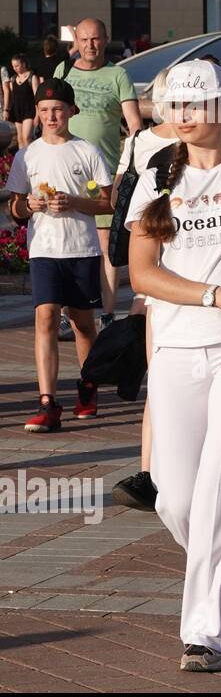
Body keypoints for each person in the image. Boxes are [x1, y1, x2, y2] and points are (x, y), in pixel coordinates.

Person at [126, 58, 221, 673]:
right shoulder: (156, 174)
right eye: (176, 107)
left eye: (197, 105)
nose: (185, 117)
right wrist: (215, 293)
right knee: (173, 497)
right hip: (177, 345)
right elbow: (143, 273)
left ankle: (204, 633)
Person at [4, 79, 113, 432]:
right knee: (46, 318)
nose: (52, 116)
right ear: (36, 114)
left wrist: (75, 201)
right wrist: (28, 205)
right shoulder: (28, 154)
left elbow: (106, 201)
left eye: (58, 110)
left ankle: (88, 384)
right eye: (45, 111)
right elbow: (15, 206)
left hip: (81, 247)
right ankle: (48, 401)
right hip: (43, 249)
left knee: (83, 324)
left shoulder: (87, 152)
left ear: (71, 111)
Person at [109, 72, 183, 511]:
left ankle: (178, 472)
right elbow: (136, 233)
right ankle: (150, 474)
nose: (185, 112)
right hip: (161, 291)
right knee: (160, 382)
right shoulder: (150, 152)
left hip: (214, 300)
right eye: (175, 102)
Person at [54, 19, 143, 325]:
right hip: (66, 173)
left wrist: (132, 160)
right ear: (76, 41)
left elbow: (134, 122)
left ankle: (106, 314)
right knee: (67, 242)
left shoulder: (118, 74)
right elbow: (49, 117)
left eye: (96, 39)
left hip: (102, 176)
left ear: (106, 39)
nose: (90, 45)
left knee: (107, 246)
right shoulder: (62, 73)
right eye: (85, 39)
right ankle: (67, 313)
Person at [4, 53, 40, 149]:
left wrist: (37, 115)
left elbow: (38, 98)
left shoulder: (32, 77)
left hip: (29, 111)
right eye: (13, 66)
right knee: (19, 139)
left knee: (26, 137)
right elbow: (13, 97)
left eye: (17, 65)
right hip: (17, 111)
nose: (14, 68)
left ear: (23, 64)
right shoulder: (13, 79)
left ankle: (32, 159)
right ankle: (22, 161)